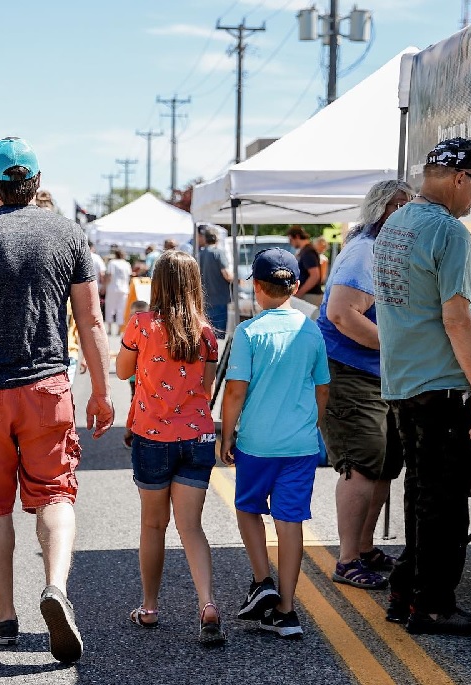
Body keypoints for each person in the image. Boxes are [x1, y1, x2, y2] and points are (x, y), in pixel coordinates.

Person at [0, 136, 114, 664]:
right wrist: (101, 390)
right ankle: (56, 587)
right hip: (47, 389)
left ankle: (5, 616)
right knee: (55, 495)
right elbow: (91, 320)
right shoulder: (68, 234)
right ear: (35, 182)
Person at [374, 137, 471, 636]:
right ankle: (433, 605)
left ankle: (407, 591)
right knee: (445, 503)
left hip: (403, 380)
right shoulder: (449, 232)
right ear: (459, 178)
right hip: (443, 384)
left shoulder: (395, 224)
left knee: (421, 494)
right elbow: (457, 315)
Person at [115, 252, 225, 644]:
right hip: (197, 437)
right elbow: (207, 389)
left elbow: (123, 370)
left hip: (153, 438)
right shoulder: (206, 333)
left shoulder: (141, 325)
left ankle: (149, 608)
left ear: (157, 285)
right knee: (191, 526)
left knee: (153, 524)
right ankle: (208, 604)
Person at [220, 248, 330, 639]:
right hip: (299, 444)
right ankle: (286, 610)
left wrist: (227, 434)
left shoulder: (250, 332)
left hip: (256, 442)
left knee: (248, 507)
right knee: (290, 521)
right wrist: (310, 426)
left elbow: (235, 392)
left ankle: (262, 580)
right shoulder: (312, 329)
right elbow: (322, 389)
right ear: (296, 286)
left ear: (256, 287)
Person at [316, 180, 413, 592]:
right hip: (350, 372)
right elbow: (341, 314)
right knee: (361, 466)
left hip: (376, 375)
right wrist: (398, 345)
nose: (414, 216)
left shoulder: (380, 248)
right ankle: (348, 559)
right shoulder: (366, 251)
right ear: (391, 208)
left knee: (382, 464)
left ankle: (366, 548)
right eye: (408, 206)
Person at [121, 299, 149, 449]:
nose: (137, 317)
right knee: (136, 404)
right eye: (134, 314)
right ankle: (131, 434)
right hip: (134, 377)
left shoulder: (150, 331)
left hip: (146, 376)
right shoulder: (129, 331)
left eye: (141, 314)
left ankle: (137, 433)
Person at [198, 227, 233, 339]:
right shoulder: (218, 253)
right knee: (219, 334)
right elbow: (227, 275)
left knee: (208, 333)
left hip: (205, 298)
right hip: (219, 298)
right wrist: (236, 279)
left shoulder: (200, 254)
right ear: (216, 238)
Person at [286, 226, 323, 306]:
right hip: (306, 295)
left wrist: (300, 293)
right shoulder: (304, 251)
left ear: (297, 236)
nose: (290, 243)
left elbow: (315, 275)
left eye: (291, 240)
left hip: (309, 295)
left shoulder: (308, 252)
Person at [103, 248, 132, 335]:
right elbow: (130, 277)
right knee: (121, 309)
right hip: (124, 289)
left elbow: (109, 276)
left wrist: (104, 286)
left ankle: (109, 329)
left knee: (110, 308)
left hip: (112, 288)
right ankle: (119, 329)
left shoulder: (112, 263)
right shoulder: (127, 264)